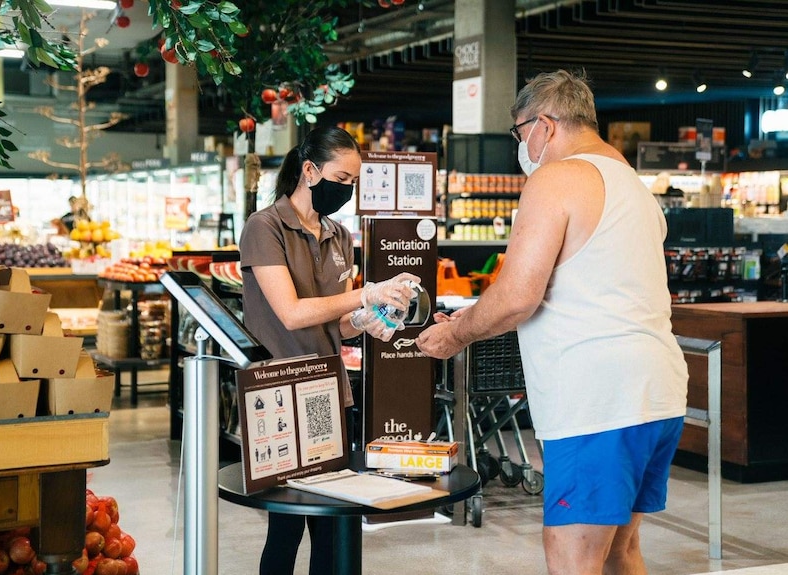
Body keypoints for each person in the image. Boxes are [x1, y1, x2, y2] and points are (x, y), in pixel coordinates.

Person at [416, 69, 688, 575]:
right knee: (620, 552)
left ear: (543, 125)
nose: (521, 148)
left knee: (572, 561)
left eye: (519, 134)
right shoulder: (631, 184)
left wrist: (455, 332)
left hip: (598, 400)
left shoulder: (557, 178)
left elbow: (518, 296)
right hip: (658, 391)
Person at [239, 125, 419, 575]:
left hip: (327, 392)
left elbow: (334, 321)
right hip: (278, 392)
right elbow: (292, 313)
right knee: (286, 525)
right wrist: (365, 294)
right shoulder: (264, 228)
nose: (347, 191)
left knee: (333, 522)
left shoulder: (339, 235)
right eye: (341, 180)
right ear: (309, 170)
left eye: (353, 184)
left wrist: (364, 321)